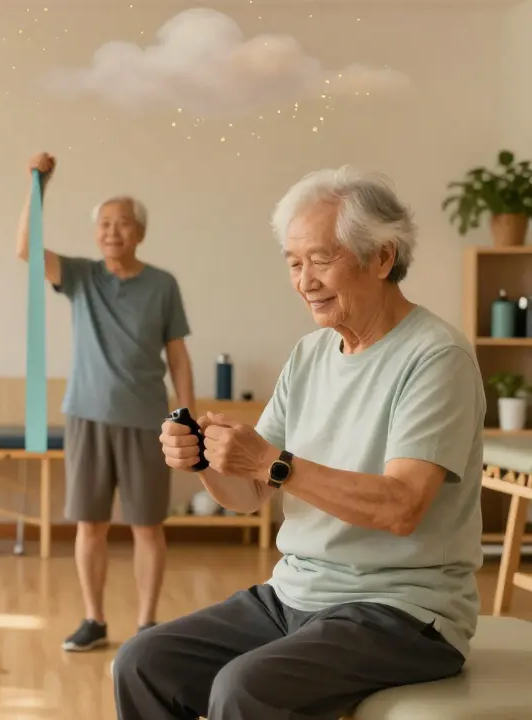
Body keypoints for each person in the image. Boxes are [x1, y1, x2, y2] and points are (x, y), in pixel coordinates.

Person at [113, 166, 484, 720]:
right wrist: (207, 461)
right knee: (143, 661)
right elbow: (248, 496)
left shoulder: (435, 358)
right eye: (293, 262)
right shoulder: (310, 355)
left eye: (320, 259)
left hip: (403, 610)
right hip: (295, 595)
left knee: (246, 689)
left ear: (382, 258)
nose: (304, 279)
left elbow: (401, 507)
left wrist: (271, 462)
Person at [16, 152, 194, 651]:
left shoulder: (163, 285)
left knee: (147, 526)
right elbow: (27, 250)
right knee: (90, 524)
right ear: (97, 233)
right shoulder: (81, 277)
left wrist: (186, 414)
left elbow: (178, 353)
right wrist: (38, 185)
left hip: (146, 421)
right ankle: (93, 620)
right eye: (104, 224)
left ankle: (147, 624)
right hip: (87, 416)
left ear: (139, 232)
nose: (112, 231)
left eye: (122, 224)